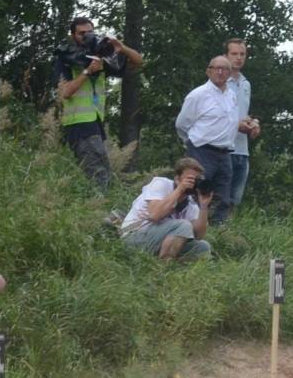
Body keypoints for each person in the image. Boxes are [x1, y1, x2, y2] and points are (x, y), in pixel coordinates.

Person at [52, 16, 143, 190]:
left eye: (90, 33)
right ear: (72, 35)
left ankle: (96, 202)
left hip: (96, 122)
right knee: (98, 175)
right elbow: (65, 92)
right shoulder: (65, 58)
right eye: (82, 33)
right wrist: (87, 71)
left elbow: (138, 62)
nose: (86, 37)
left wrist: (121, 47)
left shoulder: (99, 57)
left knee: (102, 172)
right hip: (79, 123)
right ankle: (99, 204)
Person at [175, 55, 256, 224]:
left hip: (225, 152)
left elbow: (231, 122)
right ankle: (189, 228)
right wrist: (193, 143)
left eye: (224, 69)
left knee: (222, 197)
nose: (220, 72)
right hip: (202, 150)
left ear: (229, 73)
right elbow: (182, 124)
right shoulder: (198, 95)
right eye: (216, 68)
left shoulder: (231, 95)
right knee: (196, 192)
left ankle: (218, 230)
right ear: (208, 71)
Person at [120, 158, 213, 261]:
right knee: (184, 225)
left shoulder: (191, 203)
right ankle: (164, 265)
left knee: (203, 247)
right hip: (134, 236)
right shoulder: (161, 184)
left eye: (197, 180)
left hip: (159, 240)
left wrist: (204, 206)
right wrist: (180, 189)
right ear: (177, 179)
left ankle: (164, 260)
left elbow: (199, 235)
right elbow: (154, 215)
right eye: (190, 179)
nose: (193, 183)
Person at [225, 39, 261, 213]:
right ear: (225, 55)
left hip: (242, 148)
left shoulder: (246, 83)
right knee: (219, 199)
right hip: (223, 148)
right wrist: (235, 124)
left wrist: (253, 123)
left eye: (242, 54)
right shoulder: (220, 82)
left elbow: (243, 113)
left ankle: (227, 229)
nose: (238, 58)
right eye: (234, 54)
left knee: (234, 201)